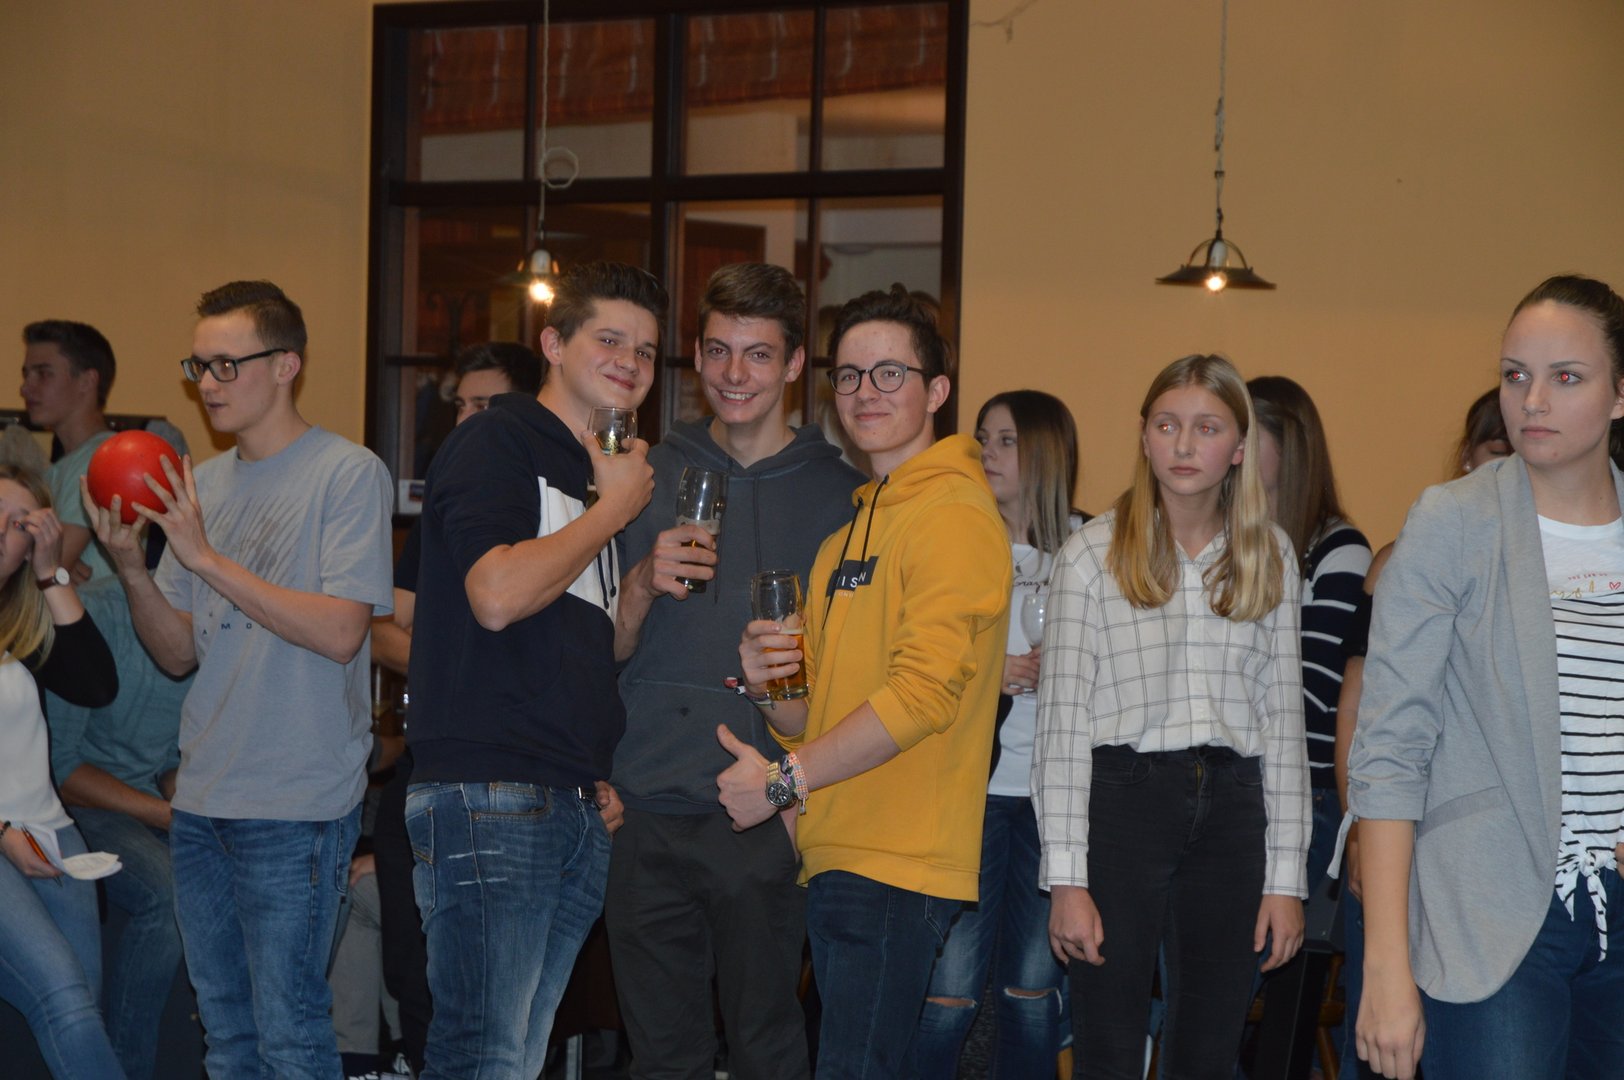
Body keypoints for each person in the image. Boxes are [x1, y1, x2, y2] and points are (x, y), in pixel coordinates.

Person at [82, 280, 396, 1078]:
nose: (208, 384)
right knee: (226, 1035)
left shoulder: (347, 474)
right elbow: (177, 654)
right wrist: (132, 568)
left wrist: (207, 559)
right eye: (199, 365)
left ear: (287, 364)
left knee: (290, 1031)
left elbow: (342, 633)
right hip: (203, 798)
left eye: (227, 364)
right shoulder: (205, 486)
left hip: (297, 801)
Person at [720, 283, 1011, 1076]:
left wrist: (782, 783)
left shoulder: (953, 513)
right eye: (848, 375)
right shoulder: (846, 536)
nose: (865, 393)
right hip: (841, 853)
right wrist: (771, 683)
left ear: (937, 391)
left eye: (890, 373)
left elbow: (922, 696)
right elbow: (807, 715)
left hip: (899, 860)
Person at [1351, 274, 1624, 1080]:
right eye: (1515, 375)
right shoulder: (1453, 520)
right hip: (1491, 916)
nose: (1532, 400)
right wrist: (1386, 969)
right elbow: (1390, 750)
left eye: (1566, 377)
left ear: (1619, 395)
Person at [405, 261, 663, 1078]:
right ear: (553, 344)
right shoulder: (500, 440)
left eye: (646, 351)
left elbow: (585, 650)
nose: (630, 362)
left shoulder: (596, 475)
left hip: (569, 797)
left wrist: (638, 587)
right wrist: (614, 511)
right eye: (609, 340)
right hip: (491, 791)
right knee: (482, 1058)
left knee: (516, 1061)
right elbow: (495, 595)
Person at [607, 263, 863, 1080]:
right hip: (643, 806)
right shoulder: (641, 477)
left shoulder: (847, 499)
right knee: (660, 1058)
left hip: (767, 817)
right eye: (718, 351)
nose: (734, 374)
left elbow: (864, 679)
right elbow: (597, 649)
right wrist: (639, 584)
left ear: (794, 365)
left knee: (769, 1049)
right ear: (696, 355)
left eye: (758, 354)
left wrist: (797, 795)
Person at [1035, 354, 1309, 1079]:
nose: (1184, 445)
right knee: (1108, 1041)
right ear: (1144, 436)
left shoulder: (1270, 555)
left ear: (1240, 447)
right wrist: (1067, 879)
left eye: (1207, 428)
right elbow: (1060, 728)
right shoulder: (1091, 555)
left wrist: (1286, 880)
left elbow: (1284, 727)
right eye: (1167, 425)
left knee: (1210, 1044)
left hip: (1235, 809)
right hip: (1122, 802)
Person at [367, 340, 546, 1078]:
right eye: (462, 405)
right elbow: (381, 625)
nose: (469, 419)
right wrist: (457, 666)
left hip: (520, 785)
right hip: (423, 774)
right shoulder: (448, 505)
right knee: (412, 978)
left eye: (486, 405)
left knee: (498, 1005)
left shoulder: (555, 507)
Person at [1331, 389, 1507, 1080]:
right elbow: (1362, 711)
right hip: (1409, 829)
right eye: (1497, 450)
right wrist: (1358, 830)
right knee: (1383, 1036)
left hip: (1499, 860)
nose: (1511, 464)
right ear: (1467, 458)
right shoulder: (1404, 559)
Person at [915, 389, 1085, 1077]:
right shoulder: (959, 537)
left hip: (1055, 804)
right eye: (983, 436)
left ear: (1045, 452)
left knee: (1032, 991)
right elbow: (918, 661)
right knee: (949, 990)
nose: (987, 451)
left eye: (1007, 440)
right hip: (971, 793)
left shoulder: (1089, 550)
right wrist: (991, 672)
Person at [46, 574, 194, 1080]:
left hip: (150, 804)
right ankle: (124, 1068)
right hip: (75, 809)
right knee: (170, 892)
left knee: (266, 872)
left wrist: (197, 806)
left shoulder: (218, 624)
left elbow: (170, 763)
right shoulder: (94, 612)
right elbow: (62, 770)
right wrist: (167, 815)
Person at [0, 464, 122, 1077]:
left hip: (54, 833)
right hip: (5, 836)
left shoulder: (19, 624)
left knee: (78, 1015)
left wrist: (51, 574)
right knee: (66, 1002)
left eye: (18, 525)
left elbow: (96, 685)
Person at [1247, 375, 1372, 888]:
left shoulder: (1340, 549)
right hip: (1240, 783)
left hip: (1306, 790)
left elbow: (1314, 690)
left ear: (1290, 446)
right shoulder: (1231, 546)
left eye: (1245, 434)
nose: (1229, 450)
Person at [20, 320, 186, 583]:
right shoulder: (58, 470)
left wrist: (52, 565)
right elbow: (48, 568)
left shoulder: (104, 459)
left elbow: (38, 575)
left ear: (87, 381)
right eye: (26, 374)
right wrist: (55, 567)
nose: (25, 388)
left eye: (43, 374)